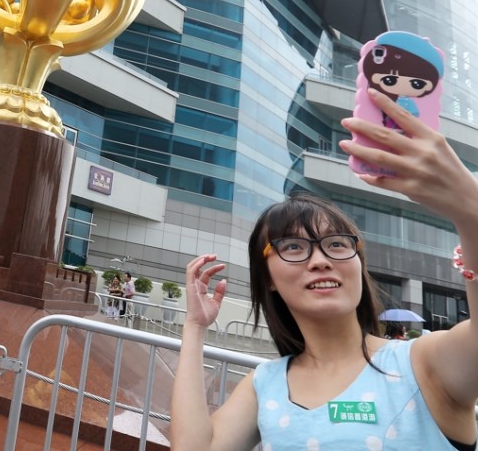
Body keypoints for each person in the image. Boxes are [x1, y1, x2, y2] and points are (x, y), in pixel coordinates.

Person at [171, 88, 478, 450]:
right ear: (267, 278)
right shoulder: (265, 384)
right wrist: (193, 328)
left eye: (336, 244)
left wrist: (469, 210)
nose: (320, 260)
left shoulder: (422, 362)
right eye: (293, 247)